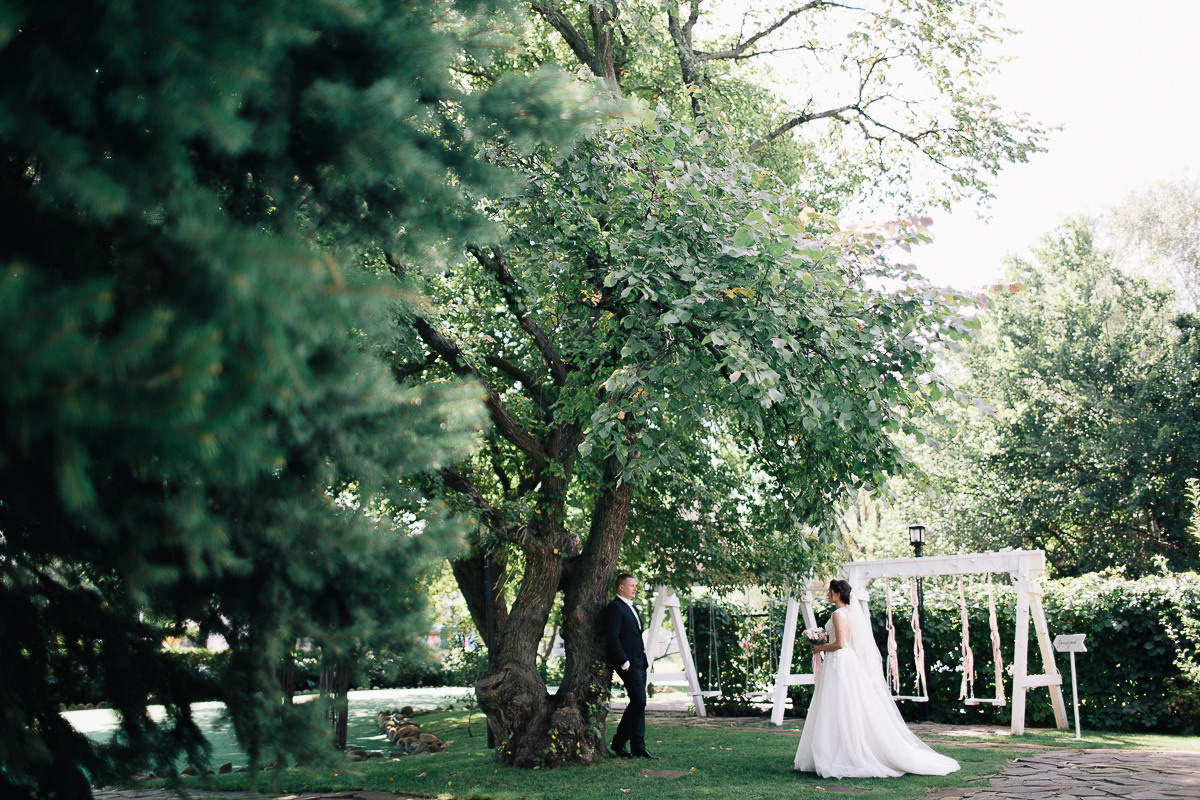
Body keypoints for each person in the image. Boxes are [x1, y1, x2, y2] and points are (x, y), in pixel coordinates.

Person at [794, 579, 959, 779]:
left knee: (837, 703)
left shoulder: (838, 614)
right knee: (844, 704)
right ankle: (839, 749)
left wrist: (820, 647)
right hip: (846, 660)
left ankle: (840, 752)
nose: (828, 594)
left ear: (838, 593)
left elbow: (840, 644)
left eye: (830, 591)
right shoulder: (849, 613)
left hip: (839, 660)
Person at [604, 573, 659, 759]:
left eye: (635, 585)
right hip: (627, 663)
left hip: (640, 661)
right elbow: (612, 637)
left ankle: (638, 746)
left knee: (640, 703)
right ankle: (619, 742)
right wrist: (623, 660)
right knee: (639, 701)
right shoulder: (615, 608)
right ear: (621, 587)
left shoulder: (632, 607)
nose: (635, 588)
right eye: (632, 585)